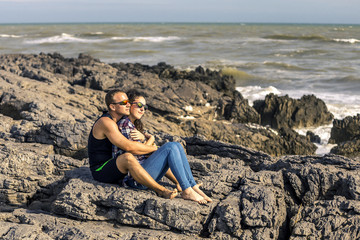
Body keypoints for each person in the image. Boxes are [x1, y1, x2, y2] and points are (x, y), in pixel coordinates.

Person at [113, 89, 212, 204]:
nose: (142, 109)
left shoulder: (132, 125)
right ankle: (187, 190)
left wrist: (145, 140)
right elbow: (137, 151)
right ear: (129, 105)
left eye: (145, 107)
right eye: (139, 105)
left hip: (143, 173)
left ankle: (192, 186)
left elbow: (143, 150)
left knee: (177, 145)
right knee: (170, 147)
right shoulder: (125, 125)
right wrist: (150, 139)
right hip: (135, 179)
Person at [88, 89, 177, 199]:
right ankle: (161, 190)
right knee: (128, 157)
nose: (128, 105)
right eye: (124, 103)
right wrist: (153, 148)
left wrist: (145, 139)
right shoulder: (106, 122)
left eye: (129, 102)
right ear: (112, 107)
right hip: (100, 170)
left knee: (152, 154)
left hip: (115, 165)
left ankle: (179, 183)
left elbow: (135, 141)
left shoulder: (121, 121)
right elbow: (128, 146)